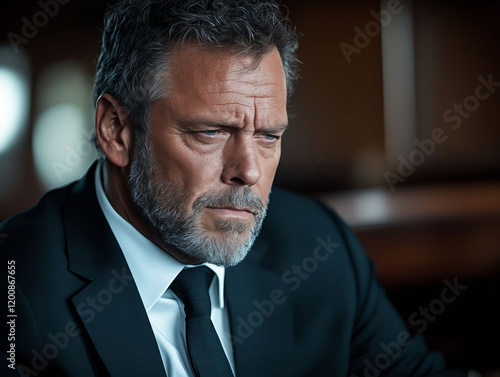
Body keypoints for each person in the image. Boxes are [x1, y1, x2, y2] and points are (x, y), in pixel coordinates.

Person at [0, 0, 471, 376]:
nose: (248, 170)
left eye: (268, 136)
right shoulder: (14, 291)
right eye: (210, 132)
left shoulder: (319, 246)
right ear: (117, 130)